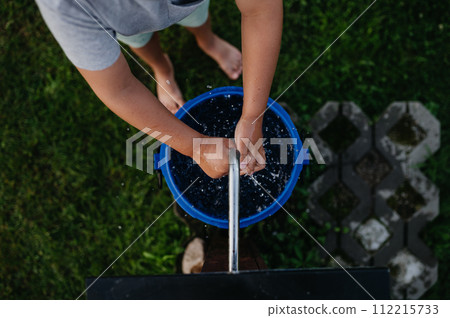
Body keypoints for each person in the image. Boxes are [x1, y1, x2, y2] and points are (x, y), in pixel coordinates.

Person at [35, 0, 283, 178]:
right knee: (140, 39)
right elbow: (117, 89)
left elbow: (260, 9)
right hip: (127, 23)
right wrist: (197, 148)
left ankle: (207, 41)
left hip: (189, 4)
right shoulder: (65, 5)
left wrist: (253, 115)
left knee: (197, 17)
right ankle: (161, 68)